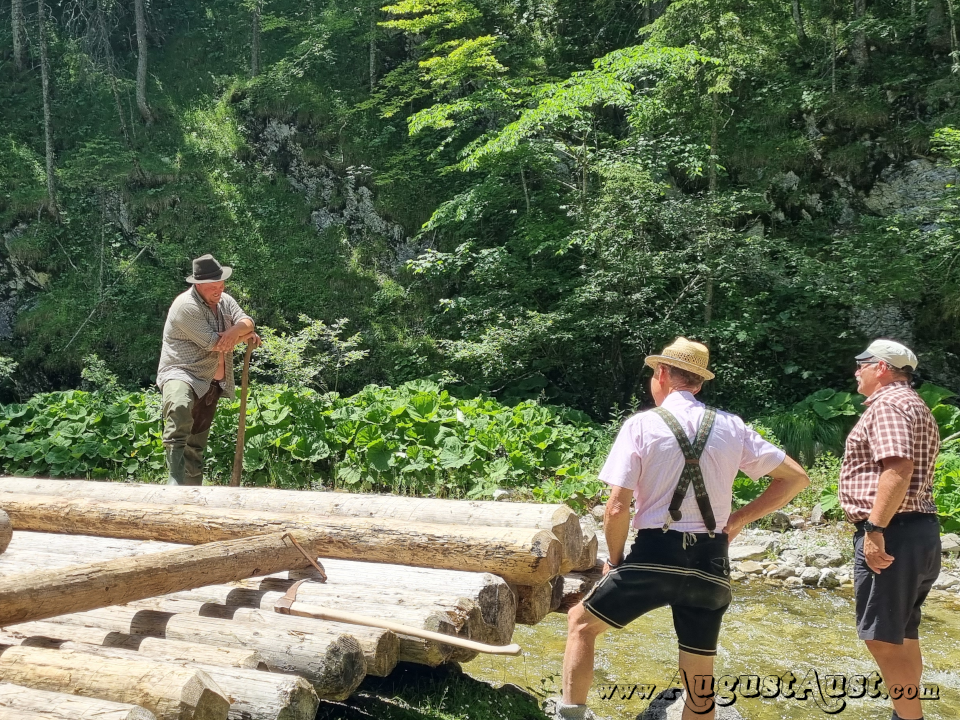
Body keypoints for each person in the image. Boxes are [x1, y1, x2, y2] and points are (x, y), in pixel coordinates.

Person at [557, 337, 810, 720]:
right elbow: (795, 478)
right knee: (698, 674)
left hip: (655, 555)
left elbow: (616, 506)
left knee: (581, 624)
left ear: (661, 373)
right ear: (698, 383)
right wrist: (738, 519)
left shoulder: (641, 424)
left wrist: (614, 561)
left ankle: (571, 715)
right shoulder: (732, 426)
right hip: (711, 562)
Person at [839, 339, 940, 720]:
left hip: (894, 532)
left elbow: (897, 467)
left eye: (861, 365)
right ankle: (908, 714)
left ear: (881, 367)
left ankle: (908, 718)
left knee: (882, 639)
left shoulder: (889, 405)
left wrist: (875, 528)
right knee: (903, 634)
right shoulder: (914, 403)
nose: (856, 371)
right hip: (918, 532)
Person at [156, 254, 260, 485]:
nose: (219, 290)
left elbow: (248, 321)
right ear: (199, 285)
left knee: (196, 441)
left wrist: (236, 332)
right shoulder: (186, 306)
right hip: (181, 372)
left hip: (211, 381)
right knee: (179, 407)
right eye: (213, 286)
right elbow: (214, 343)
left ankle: (191, 496)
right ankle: (174, 480)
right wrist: (243, 336)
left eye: (221, 284)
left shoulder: (225, 300)